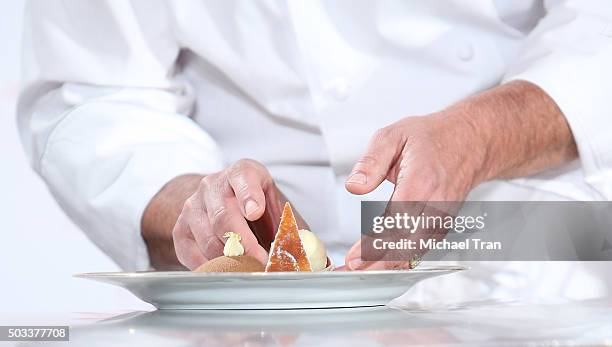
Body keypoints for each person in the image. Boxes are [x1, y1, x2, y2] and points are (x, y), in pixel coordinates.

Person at [17, 0, 612, 290]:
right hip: (256, 291)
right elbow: (94, 90)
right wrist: (196, 206)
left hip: (519, 236)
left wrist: (479, 134)